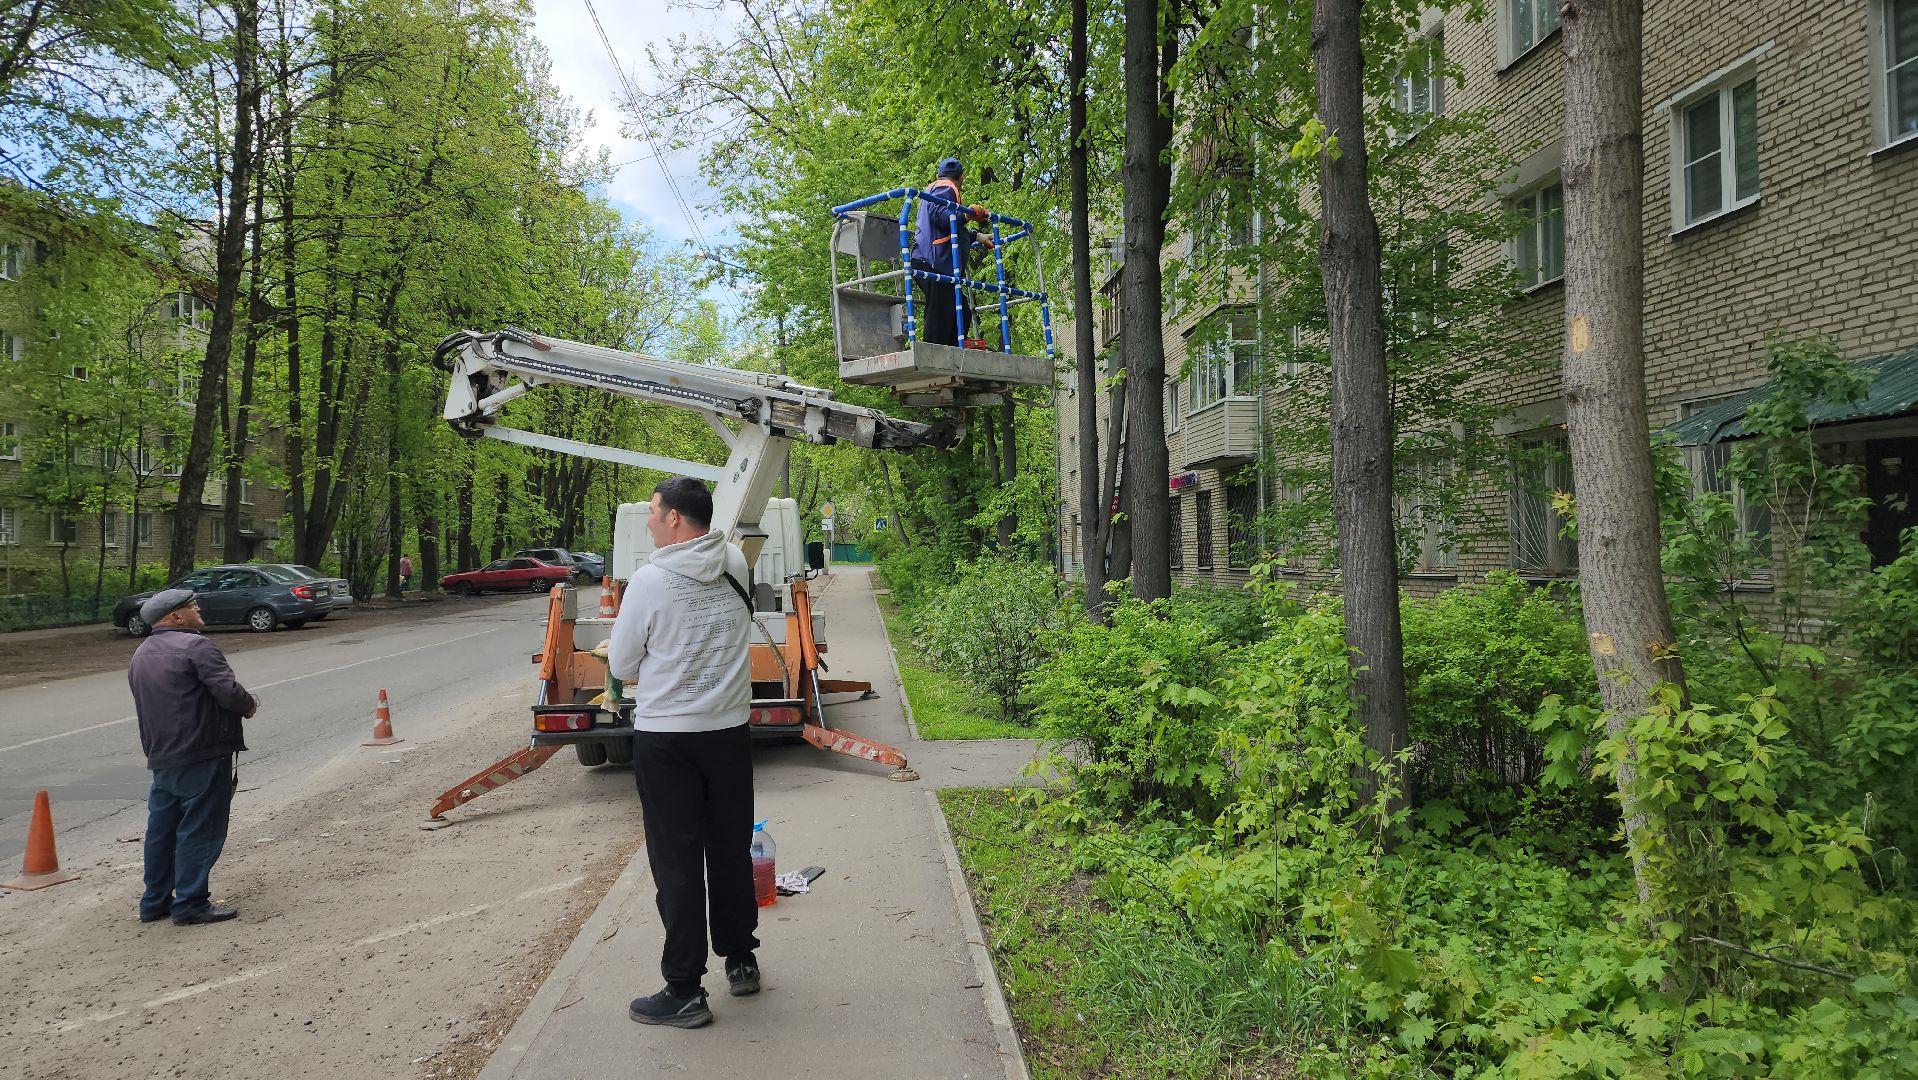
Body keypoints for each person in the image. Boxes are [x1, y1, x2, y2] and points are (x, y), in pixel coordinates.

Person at [607, 476, 759, 1029]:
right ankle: (741, 959)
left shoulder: (650, 581)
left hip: (668, 738)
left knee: (677, 863)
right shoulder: (734, 563)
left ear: (674, 517)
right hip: (729, 732)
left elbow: (622, 663)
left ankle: (684, 989)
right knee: (730, 850)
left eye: (653, 511)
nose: (649, 520)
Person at [127, 588, 258, 926]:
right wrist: (250, 704)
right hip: (202, 751)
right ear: (176, 617)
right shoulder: (196, 646)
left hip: (162, 754)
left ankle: (154, 902)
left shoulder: (141, 653)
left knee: (162, 830)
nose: (198, 609)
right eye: (191, 606)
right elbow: (228, 693)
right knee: (201, 828)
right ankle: (191, 903)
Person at [910, 156, 993, 348]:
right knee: (941, 311)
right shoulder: (946, 187)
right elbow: (941, 217)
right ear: (961, 177)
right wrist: (966, 214)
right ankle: (933, 354)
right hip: (933, 261)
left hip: (928, 259)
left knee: (959, 310)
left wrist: (976, 236)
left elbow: (951, 228)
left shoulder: (933, 189)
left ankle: (950, 352)